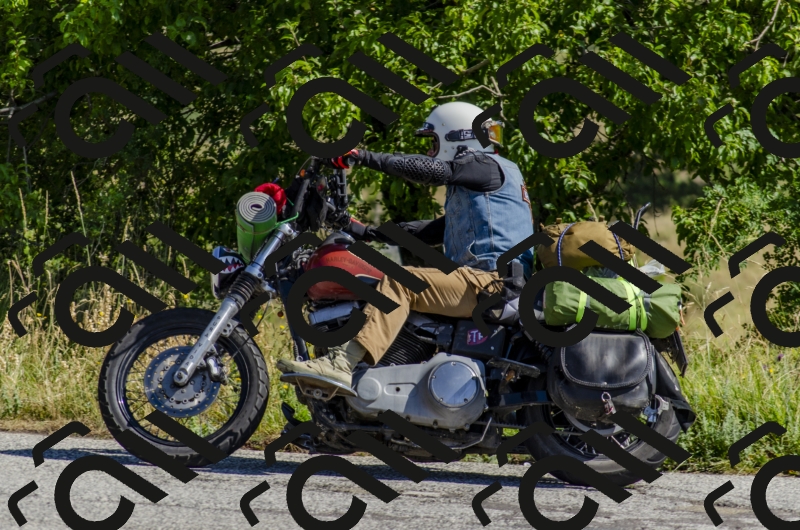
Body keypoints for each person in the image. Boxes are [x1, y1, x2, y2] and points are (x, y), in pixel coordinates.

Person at [269, 101, 536, 390]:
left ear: (457, 137)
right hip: (489, 284)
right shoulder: (484, 185)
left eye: (433, 143)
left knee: (400, 281)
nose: (430, 152)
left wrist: (361, 156)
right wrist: (366, 231)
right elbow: (428, 231)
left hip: (492, 284)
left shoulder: (485, 166)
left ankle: (341, 365)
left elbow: (431, 170)